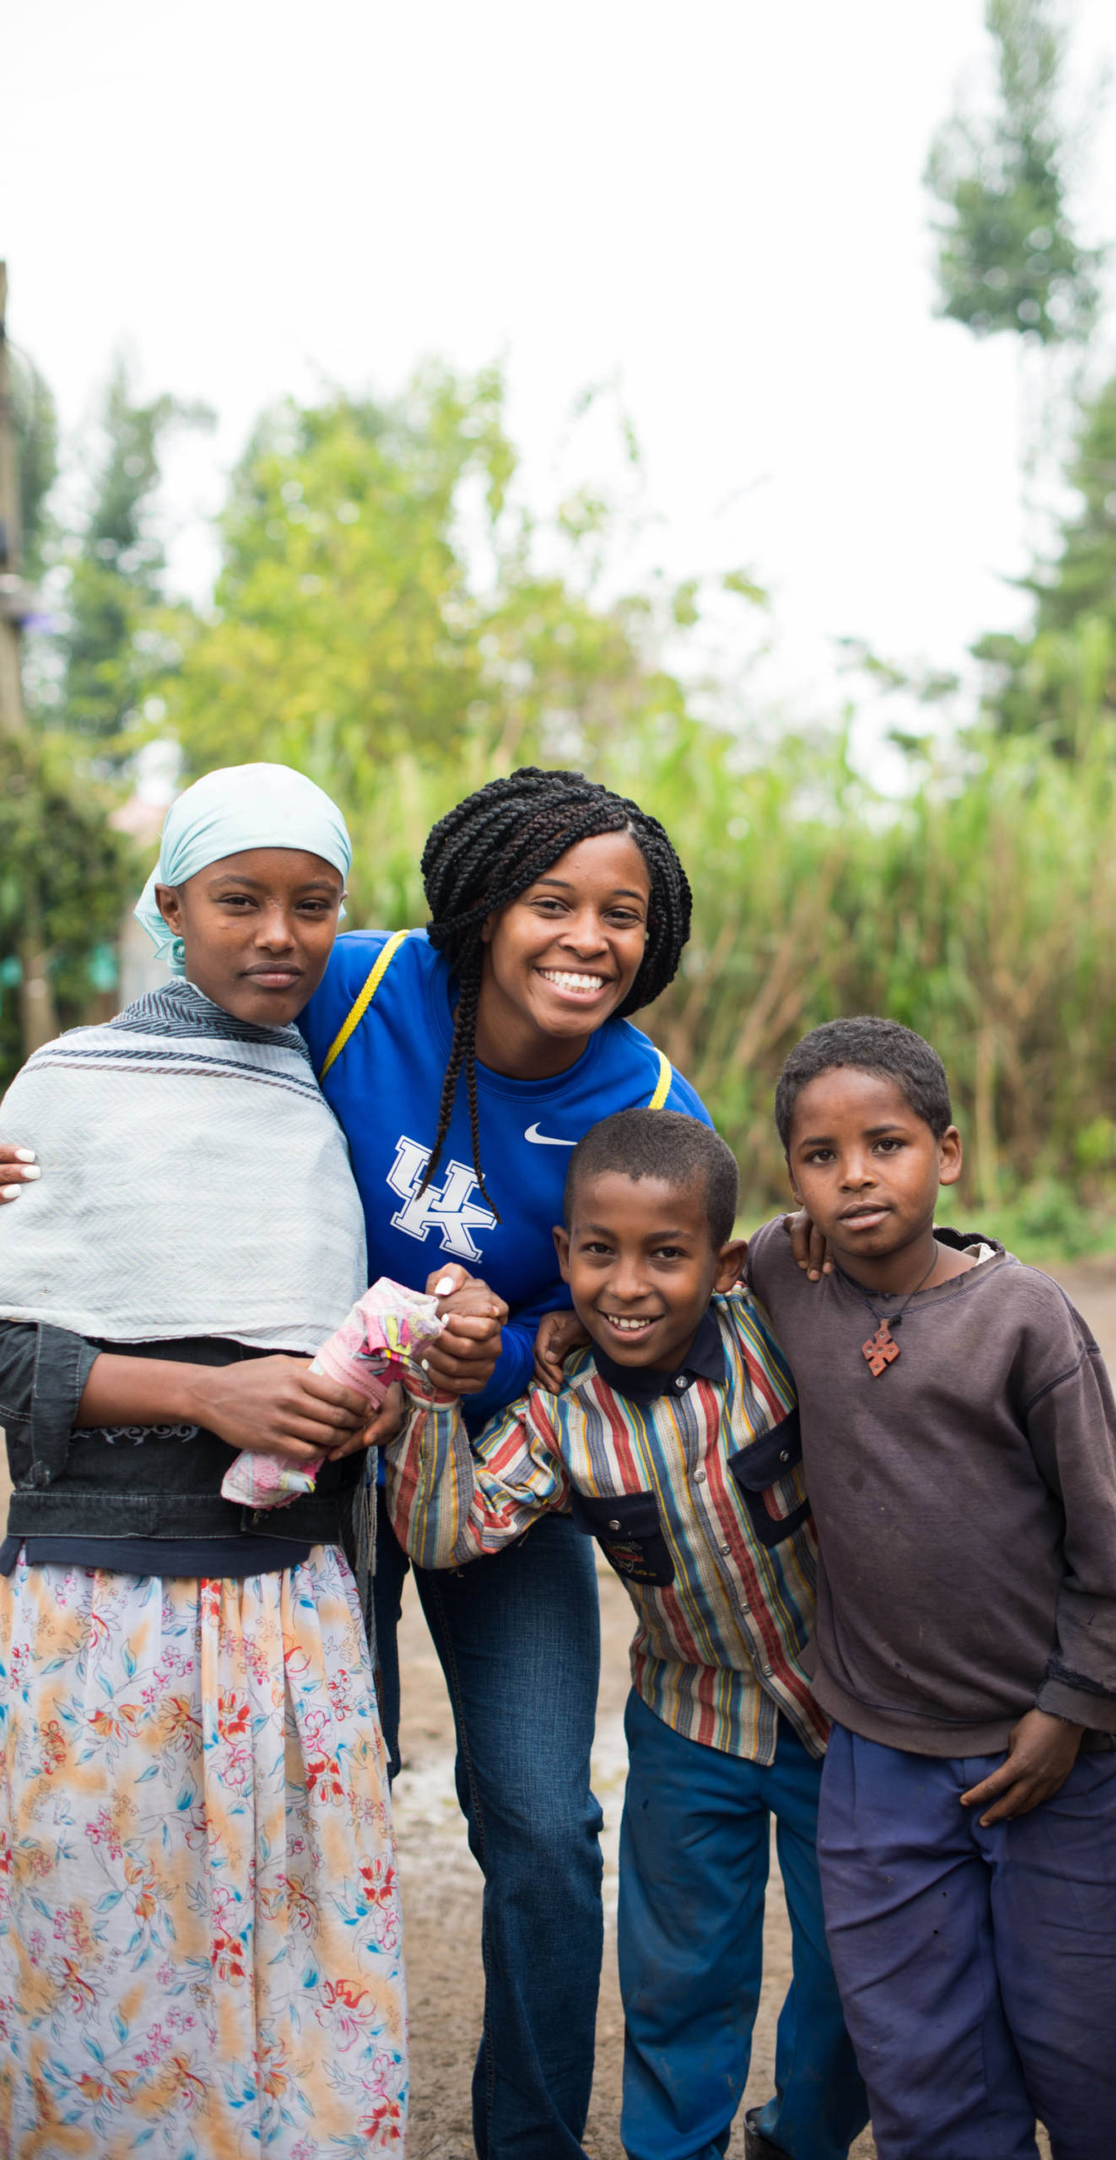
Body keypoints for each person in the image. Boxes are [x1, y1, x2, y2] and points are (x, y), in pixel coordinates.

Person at [0, 763, 709, 2160]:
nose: (585, 938)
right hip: (309, 1470)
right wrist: (29, 1152)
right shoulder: (352, 983)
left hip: (496, 1471)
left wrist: (510, 1345)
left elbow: (642, 1302)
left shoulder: (648, 1097)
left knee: (545, 1819)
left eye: (620, 915)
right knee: (326, 1787)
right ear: (477, 913)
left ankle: (529, 2138)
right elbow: (171, 1077)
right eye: (548, 902)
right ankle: (270, 2105)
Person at [0, 764, 407, 2158]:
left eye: (314, 904)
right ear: (169, 906)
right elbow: (8, 1353)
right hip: (97, 1602)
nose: (279, 934)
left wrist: (358, 1399)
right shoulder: (67, 1088)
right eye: (240, 900)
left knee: (292, 1942)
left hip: (285, 1592)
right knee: (100, 1936)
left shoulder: (336, 1100)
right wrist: (210, 1395)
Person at [386, 1107, 869, 2160]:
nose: (629, 1287)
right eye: (598, 1254)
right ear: (564, 1256)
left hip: (850, 1720)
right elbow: (444, 1538)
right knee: (679, 1977)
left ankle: (801, 2139)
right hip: (691, 1727)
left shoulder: (780, 1337)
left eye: (667, 1255)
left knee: (858, 1975)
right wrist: (430, 1390)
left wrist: (807, 1233)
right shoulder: (559, 1415)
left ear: (724, 1263)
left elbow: (852, 1254)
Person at [744, 1015, 1116, 2160]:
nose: (856, 1176)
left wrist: (1072, 1711)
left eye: (887, 1145)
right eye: (821, 1158)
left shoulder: (1024, 1321)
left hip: (1045, 1757)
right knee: (922, 2066)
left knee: (1087, 2052)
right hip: (875, 1760)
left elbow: (1109, 1559)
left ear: (951, 1153)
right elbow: (692, 1259)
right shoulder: (787, 1268)